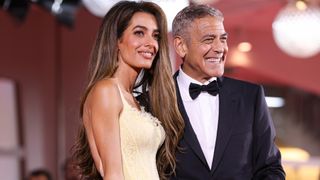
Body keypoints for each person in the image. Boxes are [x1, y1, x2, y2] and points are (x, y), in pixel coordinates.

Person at [170, 4, 286, 179]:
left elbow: (270, 169)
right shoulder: (154, 99)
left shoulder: (250, 97)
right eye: (209, 39)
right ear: (181, 46)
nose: (220, 48)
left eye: (223, 39)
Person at [72, 1, 184, 180]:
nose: (151, 43)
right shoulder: (106, 91)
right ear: (116, 40)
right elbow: (113, 174)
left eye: (155, 36)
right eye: (139, 33)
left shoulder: (134, 99)